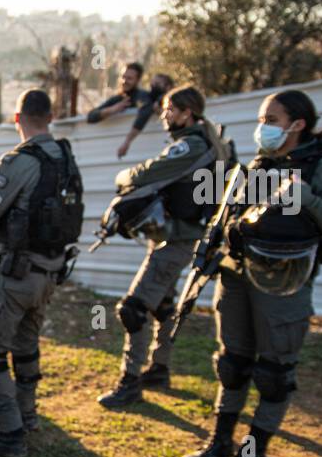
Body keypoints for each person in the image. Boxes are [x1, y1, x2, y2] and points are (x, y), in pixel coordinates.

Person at [179, 89, 322, 457]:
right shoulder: (260, 164)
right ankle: (219, 443)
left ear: (297, 125)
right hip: (237, 277)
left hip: (284, 285)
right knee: (231, 364)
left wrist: (307, 199)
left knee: (274, 372)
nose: (262, 128)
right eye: (262, 120)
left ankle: (253, 454)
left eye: (271, 121)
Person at [98, 86, 235, 408]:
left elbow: (148, 173)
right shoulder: (210, 143)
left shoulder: (191, 145)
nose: (164, 115)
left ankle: (129, 382)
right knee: (163, 306)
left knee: (134, 309)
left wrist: (123, 177)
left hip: (176, 239)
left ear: (188, 113)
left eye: (170, 109)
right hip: (178, 234)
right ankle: (159, 368)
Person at [0, 89, 83, 457]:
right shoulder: (66, 156)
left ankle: (10, 431)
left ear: (17, 119)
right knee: (26, 346)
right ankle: (25, 413)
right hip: (50, 271)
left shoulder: (17, 161)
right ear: (50, 117)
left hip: (16, 274)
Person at [114, 73, 174, 160]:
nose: (153, 86)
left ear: (168, 87)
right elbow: (145, 112)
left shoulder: (172, 99)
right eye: (152, 84)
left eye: (157, 84)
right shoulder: (145, 98)